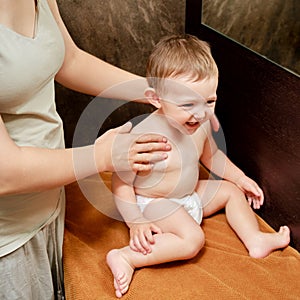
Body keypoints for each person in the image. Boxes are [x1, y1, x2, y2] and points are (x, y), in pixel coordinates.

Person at [0, 1, 173, 299]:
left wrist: (154, 92)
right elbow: (5, 173)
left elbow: (70, 61)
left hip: (50, 205)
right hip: (8, 237)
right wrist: (103, 155)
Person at [106, 34, 291, 298]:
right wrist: (135, 221)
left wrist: (240, 178)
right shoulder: (144, 138)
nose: (200, 112)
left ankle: (255, 239)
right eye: (187, 104)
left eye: (209, 101)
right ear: (156, 99)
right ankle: (127, 257)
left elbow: (212, 156)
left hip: (189, 196)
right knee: (193, 240)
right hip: (155, 205)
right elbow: (120, 181)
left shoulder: (201, 122)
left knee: (229, 192)